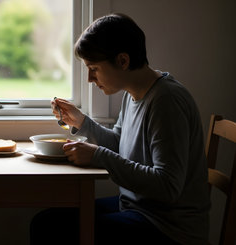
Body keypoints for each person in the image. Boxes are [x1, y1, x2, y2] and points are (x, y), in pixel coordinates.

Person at [30, 13, 210, 245]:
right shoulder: (134, 94)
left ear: (123, 61)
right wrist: (82, 123)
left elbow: (168, 186)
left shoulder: (166, 102)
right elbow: (120, 145)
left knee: (49, 228)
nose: (89, 79)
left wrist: (98, 156)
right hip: (137, 206)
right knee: (47, 220)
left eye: (93, 68)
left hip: (168, 228)